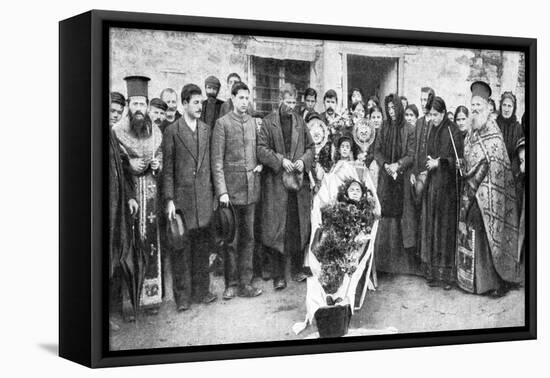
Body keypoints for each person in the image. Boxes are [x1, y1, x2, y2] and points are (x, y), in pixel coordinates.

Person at [457, 81, 522, 297]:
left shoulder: (494, 133)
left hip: (490, 194)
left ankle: (493, 283)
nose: (474, 109)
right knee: (472, 228)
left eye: (478, 106)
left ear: (487, 108)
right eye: (472, 105)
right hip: (472, 190)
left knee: (486, 233)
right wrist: (463, 167)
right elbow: (469, 159)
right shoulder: (470, 133)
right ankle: (474, 282)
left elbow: (495, 162)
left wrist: (477, 177)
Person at [162, 83, 218, 311]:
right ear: (184, 104)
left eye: (201, 103)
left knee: (202, 249)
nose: (199, 106)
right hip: (182, 201)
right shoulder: (172, 131)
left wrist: (214, 194)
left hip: (204, 198)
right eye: (195, 102)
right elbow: (167, 169)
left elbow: (213, 165)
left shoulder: (206, 130)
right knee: (181, 251)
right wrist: (169, 200)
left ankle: (201, 292)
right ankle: (183, 298)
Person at [113, 76, 164, 315]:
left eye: (142, 105)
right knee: (129, 247)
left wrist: (156, 165)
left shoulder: (155, 132)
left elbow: (161, 157)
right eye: (134, 105)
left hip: (151, 195)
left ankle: (150, 300)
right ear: (128, 109)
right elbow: (115, 164)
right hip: (129, 196)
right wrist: (129, 165)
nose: (139, 110)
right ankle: (129, 302)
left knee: (151, 246)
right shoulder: (117, 132)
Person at [257, 83, 315, 289]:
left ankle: (297, 269)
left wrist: (303, 161)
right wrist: (280, 160)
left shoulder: (300, 122)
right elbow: (261, 150)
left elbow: (311, 147)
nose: (291, 106)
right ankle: (278, 275)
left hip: (297, 185)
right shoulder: (268, 122)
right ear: (280, 100)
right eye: (288, 102)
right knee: (277, 229)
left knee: (296, 227)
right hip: (276, 185)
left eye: (294, 102)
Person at [211, 81, 263, 299]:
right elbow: (217, 162)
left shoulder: (252, 123)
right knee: (231, 240)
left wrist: (260, 164)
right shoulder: (222, 124)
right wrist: (222, 191)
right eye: (240, 98)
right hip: (231, 193)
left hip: (251, 190)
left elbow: (258, 149)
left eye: (247, 98)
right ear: (232, 98)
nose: (244, 102)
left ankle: (246, 282)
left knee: (249, 238)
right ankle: (231, 283)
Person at [419, 96, 463, 290]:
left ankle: (447, 277)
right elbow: (430, 150)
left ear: (444, 113)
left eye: (436, 115)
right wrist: (430, 160)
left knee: (445, 230)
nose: (433, 118)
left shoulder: (452, 130)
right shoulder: (434, 129)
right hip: (433, 185)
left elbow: (459, 160)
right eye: (431, 115)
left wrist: (440, 162)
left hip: (447, 189)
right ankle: (433, 273)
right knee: (433, 227)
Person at [373, 93, 417, 275]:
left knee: (402, 217)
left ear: (399, 108)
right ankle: (384, 265)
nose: (391, 112)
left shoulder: (409, 129)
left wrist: (398, 165)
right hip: (386, 178)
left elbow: (411, 153)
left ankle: (400, 265)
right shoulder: (383, 127)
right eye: (388, 108)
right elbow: (377, 150)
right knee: (385, 215)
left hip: (402, 179)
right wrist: (385, 165)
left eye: (394, 108)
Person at [109, 92, 139, 326]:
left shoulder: (111, 134)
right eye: (111, 111)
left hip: (116, 209)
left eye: (118, 113)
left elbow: (122, 168)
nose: (114, 116)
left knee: (117, 256)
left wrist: (129, 196)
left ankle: (115, 310)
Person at [496, 91, 524, 201]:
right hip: (495, 174)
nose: (506, 109)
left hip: (512, 176)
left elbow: (519, 153)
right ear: (500, 106)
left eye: (509, 106)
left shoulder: (518, 128)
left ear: (514, 108)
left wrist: (512, 172)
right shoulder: (494, 125)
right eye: (504, 105)